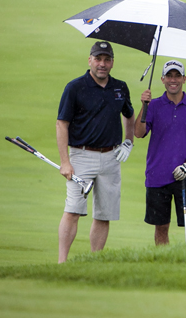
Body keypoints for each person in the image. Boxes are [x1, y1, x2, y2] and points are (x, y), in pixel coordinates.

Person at [56, 41, 135, 263]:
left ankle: (94, 262)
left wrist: (128, 142)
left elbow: (129, 114)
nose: (102, 64)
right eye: (98, 59)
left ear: (112, 62)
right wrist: (65, 162)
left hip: (111, 157)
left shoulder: (120, 87)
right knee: (73, 210)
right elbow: (61, 124)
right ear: (90, 60)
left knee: (104, 214)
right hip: (81, 156)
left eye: (107, 59)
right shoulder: (75, 87)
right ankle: (61, 263)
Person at [134, 60, 186, 245]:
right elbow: (138, 133)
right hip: (157, 176)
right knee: (161, 228)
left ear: (184, 79)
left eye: (177, 75)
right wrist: (144, 105)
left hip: (185, 177)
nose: (173, 80)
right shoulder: (153, 106)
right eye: (169, 75)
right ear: (162, 79)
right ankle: (165, 268)